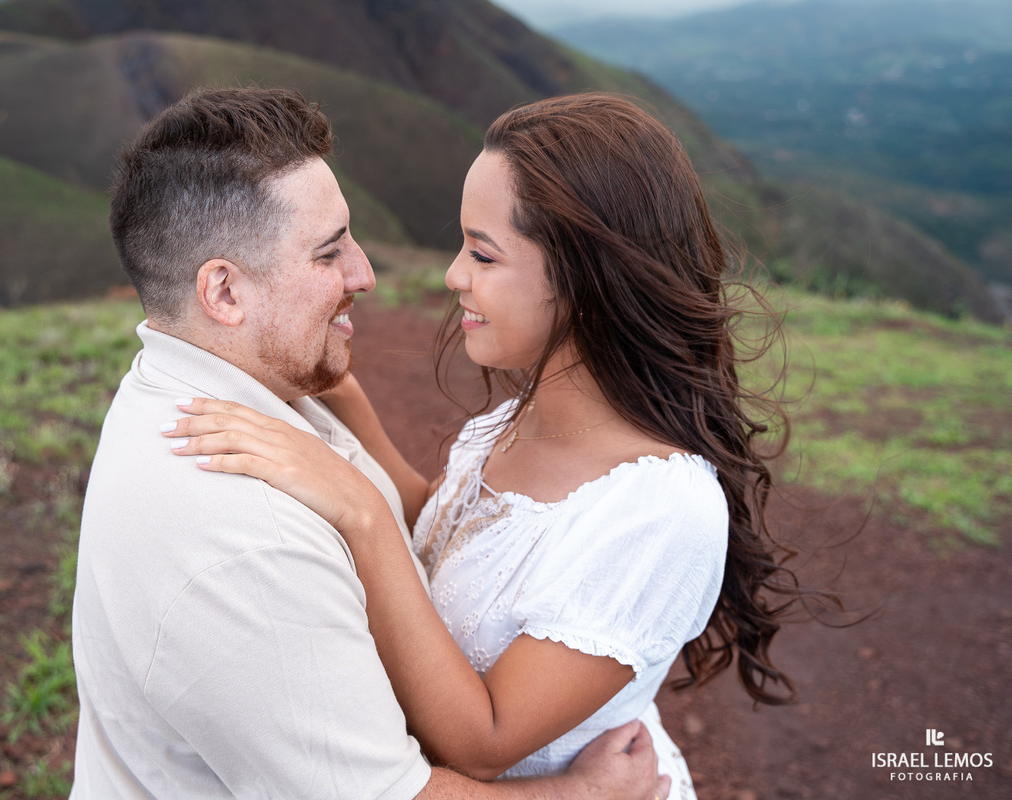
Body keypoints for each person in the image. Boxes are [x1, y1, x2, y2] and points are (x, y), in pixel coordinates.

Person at [165, 93, 800, 799]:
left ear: (584, 280)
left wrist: (359, 510)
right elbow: (447, 541)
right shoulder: (514, 423)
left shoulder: (659, 512)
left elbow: (482, 741)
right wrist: (335, 396)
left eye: (483, 253)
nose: (454, 274)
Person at [70, 86, 671, 799]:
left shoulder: (227, 389)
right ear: (224, 293)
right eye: (329, 255)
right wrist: (589, 795)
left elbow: (438, 530)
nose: (365, 275)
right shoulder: (245, 538)